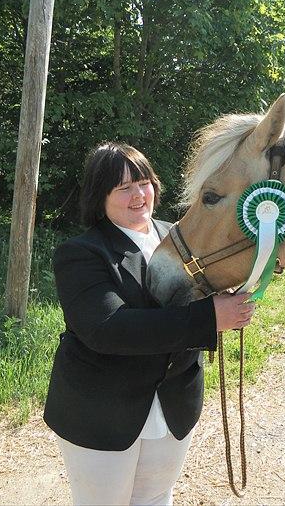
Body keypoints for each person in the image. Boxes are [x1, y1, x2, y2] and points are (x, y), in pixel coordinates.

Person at [43, 142, 255, 505]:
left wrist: (234, 293)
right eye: (123, 187)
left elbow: (212, 279)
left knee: (157, 497)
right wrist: (210, 318)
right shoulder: (81, 253)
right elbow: (106, 328)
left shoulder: (181, 237)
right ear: (100, 197)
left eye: (144, 182)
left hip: (173, 404)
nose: (139, 195)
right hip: (102, 413)